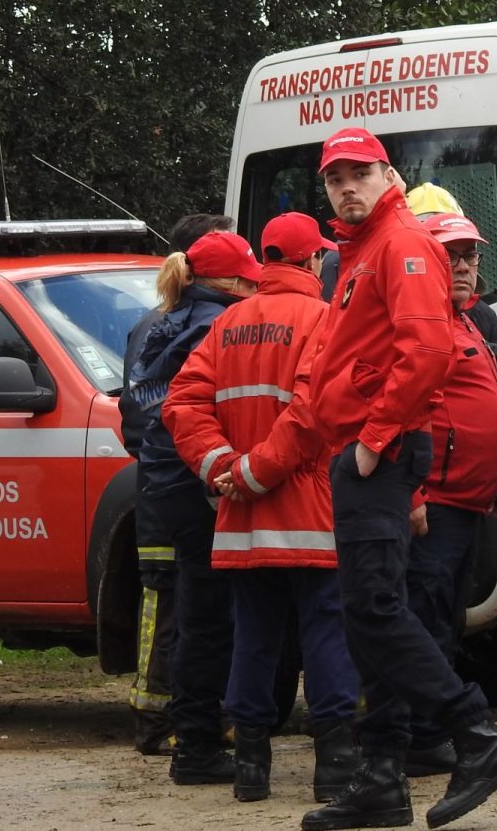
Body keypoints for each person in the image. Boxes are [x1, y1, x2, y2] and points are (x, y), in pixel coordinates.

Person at [218, 127, 497, 831]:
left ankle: (476, 737)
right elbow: (325, 378)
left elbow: (425, 352)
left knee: (376, 613)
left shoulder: (399, 245)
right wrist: (260, 467)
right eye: (334, 178)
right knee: (370, 616)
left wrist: (376, 441)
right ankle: (384, 780)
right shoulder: (359, 257)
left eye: (359, 173)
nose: (347, 187)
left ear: (387, 175)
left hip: (377, 457)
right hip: (365, 458)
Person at [167, 211, 357, 804]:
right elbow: (312, 412)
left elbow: (182, 405)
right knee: (327, 633)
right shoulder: (325, 318)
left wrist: (224, 468)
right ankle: (334, 768)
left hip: (243, 520)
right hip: (308, 511)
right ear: (309, 261)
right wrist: (254, 472)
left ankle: (251, 768)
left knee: (252, 637)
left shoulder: (226, 326)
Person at [403, 212, 497, 776]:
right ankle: (420, 735)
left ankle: (430, 729)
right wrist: (413, 493)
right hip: (432, 504)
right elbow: (401, 413)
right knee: (425, 614)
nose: (463, 266)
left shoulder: (465, 321)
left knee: (448, 618)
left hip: (468, 502)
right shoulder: (419, 323)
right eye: (451, 255)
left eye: (470, 256)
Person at [125, 229, 262, 784]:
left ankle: (190, 735)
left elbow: (135, 415)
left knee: (188, 610)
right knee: (213, 617)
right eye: (249, 278)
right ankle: (202, 744)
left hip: (162, 482)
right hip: (208, 483)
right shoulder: (220, 324)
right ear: (230, 280)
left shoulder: (151, 323)